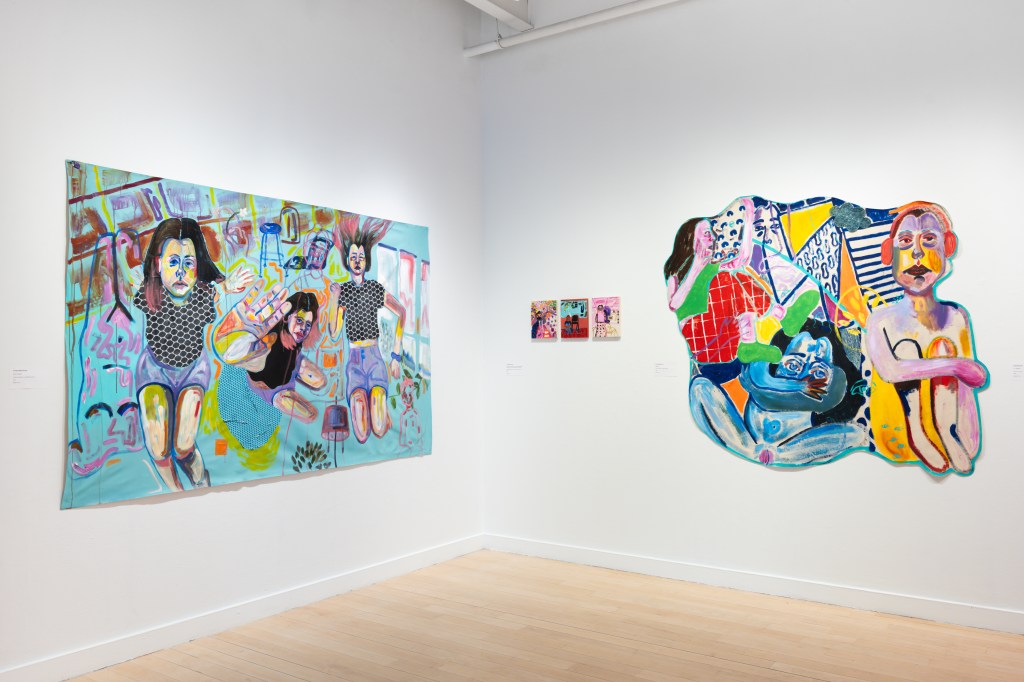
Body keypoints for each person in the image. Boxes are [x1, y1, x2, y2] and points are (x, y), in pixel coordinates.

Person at [131, 217, 254, 491]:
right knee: (158, 448)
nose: (180, 272)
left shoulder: (203, 294)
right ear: (158, 264)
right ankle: (176, 491)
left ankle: (200, 480)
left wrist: (228, 285)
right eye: (173, 262)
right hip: (154, 370)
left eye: (188, 263)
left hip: (192, 371)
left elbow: (219, 289)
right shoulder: (149, 292)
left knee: (183, 447)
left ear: (198, 266)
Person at [865, 202, 987, 474]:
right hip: (898, 429)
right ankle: (918, 432)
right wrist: (955, 366)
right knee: (907, 349)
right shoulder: (880, 321)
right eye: (905, 241)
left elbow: (972, 386)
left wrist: (952, 366)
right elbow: (890, 371)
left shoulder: (956, 317)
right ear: (889, 253)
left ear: (947, 247)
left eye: (929, 240)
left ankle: (946, 429)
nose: (917, 252)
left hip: (956, 422)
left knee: (942, 347)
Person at [328, 215, 406, 443]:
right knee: (362, 435)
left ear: (366, 261)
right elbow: (334, 333)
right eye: (353, 257)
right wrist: (334, 299)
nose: (357, 261)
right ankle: (375, 410)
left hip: (374, 359)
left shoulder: (374, 288)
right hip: (354, 364)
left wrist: (396, 356)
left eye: (361, 257)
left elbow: (401, 312)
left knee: (379, 430)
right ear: (347, 261)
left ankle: (383, 417)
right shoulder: (343, 291)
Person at [215, 288, 326, 423]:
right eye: (299, 320)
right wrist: (236, 349)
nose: (303, 328)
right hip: (272, 389)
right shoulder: (268, 341)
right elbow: (256, 363)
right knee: (310, 414)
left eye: (308, 324)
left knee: (320, 380)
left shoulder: (294, 339)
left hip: (289, 366)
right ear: (286, 317)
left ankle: (294, 370)